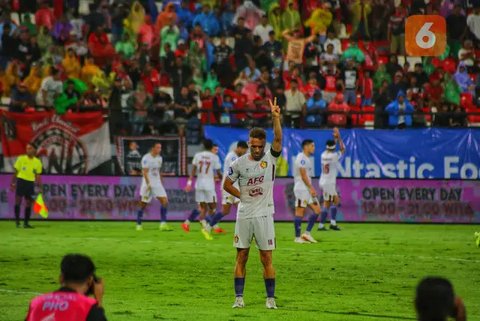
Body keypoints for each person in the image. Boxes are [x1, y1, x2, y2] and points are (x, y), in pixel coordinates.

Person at [223, 98, 282, 309]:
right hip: (244, 214)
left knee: (266, 257)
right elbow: (226, 184)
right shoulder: (238, 163)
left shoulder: (271, 158)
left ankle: (270, 299)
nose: (256, 150)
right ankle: (239, 298)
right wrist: (242, 196)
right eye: (253, 146)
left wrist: (276, 118)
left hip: (265, 214)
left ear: (263, 145)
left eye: (259, 146)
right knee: (242, 256)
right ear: (249, 144)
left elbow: (278, 138)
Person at [25, 254, 106, 321]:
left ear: (61, 278)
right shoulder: (87, 306)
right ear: (89, 280)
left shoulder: (36, 303)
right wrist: (99, 300)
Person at [204, 141, 249, 234]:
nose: (244, 153)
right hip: (228, 188)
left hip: (234, 187)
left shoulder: (235, 156)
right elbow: (237, 170)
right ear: (239, 148)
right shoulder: (232, 157)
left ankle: (244, 231)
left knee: (241, 209)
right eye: (244, 151)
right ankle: (208, 226)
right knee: (225, 211)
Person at [182, 139, 222, 240]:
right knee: (212, 208)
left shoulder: (197, 155)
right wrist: (223, 179)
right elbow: (218, 172)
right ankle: (208, 225)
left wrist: (189, 183)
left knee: (203, 208)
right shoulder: (214, 157)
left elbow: (193, 172)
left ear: (203, 145)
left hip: (199, 185)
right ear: (211, 147)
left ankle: (203, 223)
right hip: (209, 186)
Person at [135, 143, 172, 231]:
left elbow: (158, 171)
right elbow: (145, 172)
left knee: (165, 201)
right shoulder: (146, 158)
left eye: (160, 147)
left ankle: (163, 224)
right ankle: (139, 224)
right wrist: (148, 184)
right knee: (143, 204)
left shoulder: (160, 158)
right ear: (153, 148)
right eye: (158, 147)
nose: (160, 149)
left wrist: (161, 181)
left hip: (157, 183)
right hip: (147, 183)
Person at [293, 139, 321, 243]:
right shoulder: (301, 158)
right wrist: (311, 188)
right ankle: (297, 237)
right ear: (306, 146)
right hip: (301, 188)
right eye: (312, 146)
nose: (314, 148)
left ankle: (306, 233)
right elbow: (303, 175)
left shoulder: (307, 159)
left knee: (317, 210)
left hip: (306, 189)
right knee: (300, 211)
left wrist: (310, 188)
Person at [10, 144, 42, 228]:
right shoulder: (21, 159)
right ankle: (17, 222)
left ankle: (26, 223)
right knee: (18, 201)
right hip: (21, 181)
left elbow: (38, 175)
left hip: (30, 182)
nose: (28, 150)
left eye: (30, 148)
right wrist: (13, 183)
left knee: (28, 203)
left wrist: (39, 187)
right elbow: (16, 172)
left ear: (34, 150)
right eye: (27, 148)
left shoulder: (37, 162)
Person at [318, 128, 344, 231]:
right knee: (336, 200)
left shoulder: (323, 154)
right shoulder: (334, 156)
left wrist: (335, 139)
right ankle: (333, 223)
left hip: (323, 181)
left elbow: (332, 147)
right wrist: (339, 137)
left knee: (327, 203)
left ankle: (321, 225)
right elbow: (342, 149)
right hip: (329, 182)